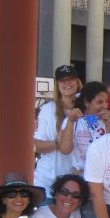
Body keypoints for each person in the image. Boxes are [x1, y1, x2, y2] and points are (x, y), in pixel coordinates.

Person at [34, 65, 82, 202]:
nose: (67, 83)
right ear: (57, 85)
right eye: (62, 80)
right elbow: (37, 146)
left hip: (77, 183)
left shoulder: (87, 108)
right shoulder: (47, 109)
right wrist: (58, 142)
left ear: (77, 82)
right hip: (48, 181)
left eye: (71, 79)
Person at [59, 81, 110, 175]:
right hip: (79, 175)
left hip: (102, 175)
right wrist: (70, 122)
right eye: (99, 102)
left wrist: (108, 124)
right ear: (87, 102)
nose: (105, 106)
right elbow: (65, 150)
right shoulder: (73, 119)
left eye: (106, 101)